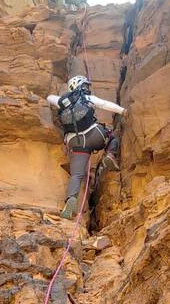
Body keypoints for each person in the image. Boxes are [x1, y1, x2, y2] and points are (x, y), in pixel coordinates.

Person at [47, 75, 125, 219]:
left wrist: (56, 98)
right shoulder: (87, 98)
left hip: (75, 142)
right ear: (82, 86)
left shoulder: (62, 102)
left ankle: (71, 199)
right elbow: (105, 104)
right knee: (112, 136)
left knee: (76, 175)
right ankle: (110, 155)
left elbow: (50, 98)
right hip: (94, 135)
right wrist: (123, 111)